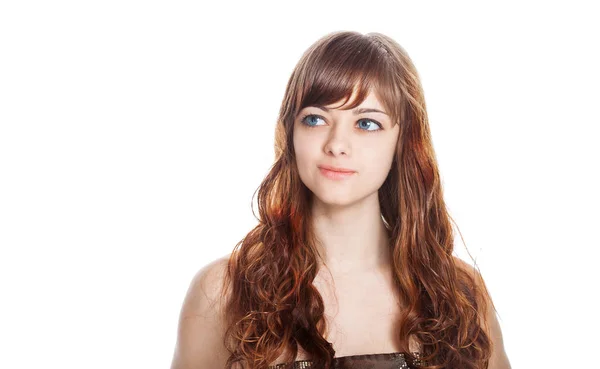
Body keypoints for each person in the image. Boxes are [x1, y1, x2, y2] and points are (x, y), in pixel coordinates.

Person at [170, 31, 512, 369]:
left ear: (403, 140)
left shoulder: (459, 294)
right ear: (291, 132)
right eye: (315, 119)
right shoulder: (222, 293)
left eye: (366, 123)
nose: (336, 144)